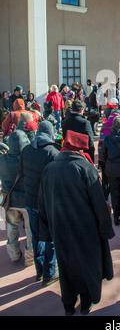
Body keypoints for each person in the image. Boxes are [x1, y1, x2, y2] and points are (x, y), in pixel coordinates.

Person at [39, 130, 115, 316]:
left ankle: (68, 304)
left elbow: (42, 203)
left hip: (60, 229)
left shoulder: (49, 169)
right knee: (87, 265)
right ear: (79, 150)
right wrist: (105, 228)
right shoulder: (85, 168)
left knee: (66, 267)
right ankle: (86, 302)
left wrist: (46, 232)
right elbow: (99, 203)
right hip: (85, 229)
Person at [21, 121, 59, 285]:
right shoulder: (53, 153)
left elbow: (22, 173)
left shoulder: (26, 150)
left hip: (30, 200)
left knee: (36, 236)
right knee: (50, 237)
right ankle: (49, 273)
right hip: (47, 202)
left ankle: (39, 271)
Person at [0, 130, 33, 266]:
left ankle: (14, 255)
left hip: (10, 201)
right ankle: (30, 258)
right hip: (27, 200)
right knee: (30, 230)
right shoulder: (29, 160)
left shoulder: (2, 160)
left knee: (12, 227)